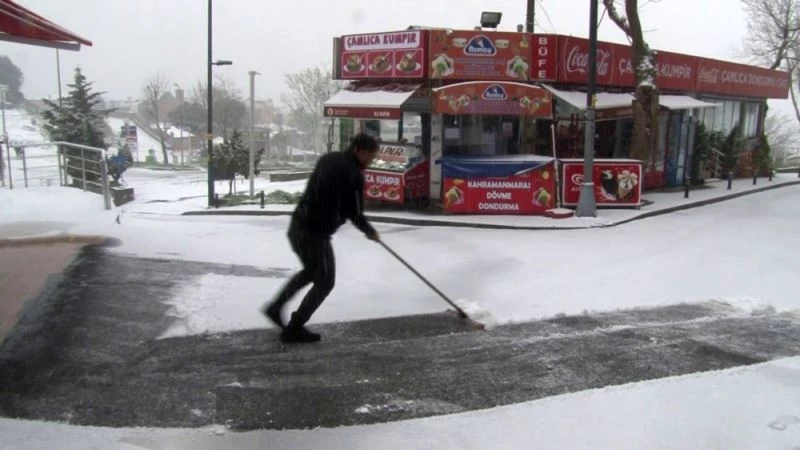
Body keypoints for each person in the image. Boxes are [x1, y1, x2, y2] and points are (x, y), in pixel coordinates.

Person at [262, 133, 381, 343]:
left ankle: (276, 307)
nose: (370, 161)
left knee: (312, 272)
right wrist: (369, 230)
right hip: (315, 233)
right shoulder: (352, 172)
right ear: (359, 150)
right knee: (325, 281)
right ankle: (294, 328)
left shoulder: (329, 159)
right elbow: (353, 211)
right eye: (370, 156)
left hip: (299, 225)